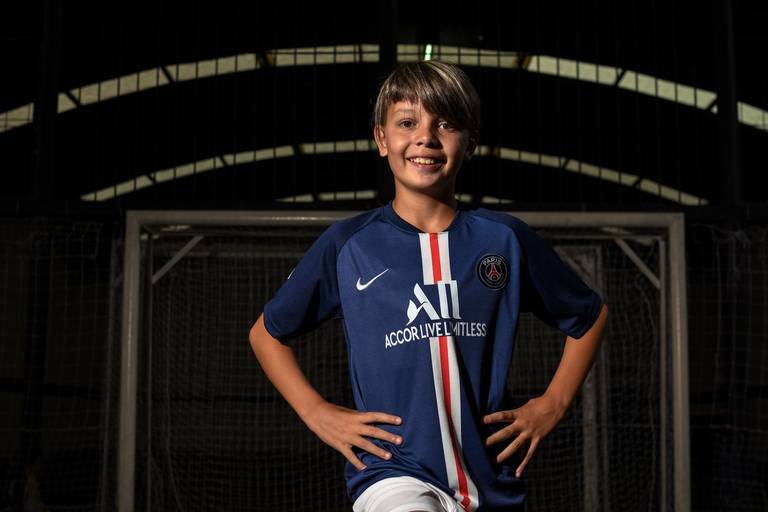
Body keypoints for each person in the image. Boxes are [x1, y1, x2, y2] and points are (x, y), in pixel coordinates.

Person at [248, 60, 608, 512]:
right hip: (392, 473)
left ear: (471, 141)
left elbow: (590, 317)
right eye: (406, 122)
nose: (425, 137)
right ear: (382, 139)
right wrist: (315, 411)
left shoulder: (504, 239)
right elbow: (266, 333)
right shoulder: (349, 244)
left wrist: (553, 403)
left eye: (445, 124)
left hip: (491, 477)